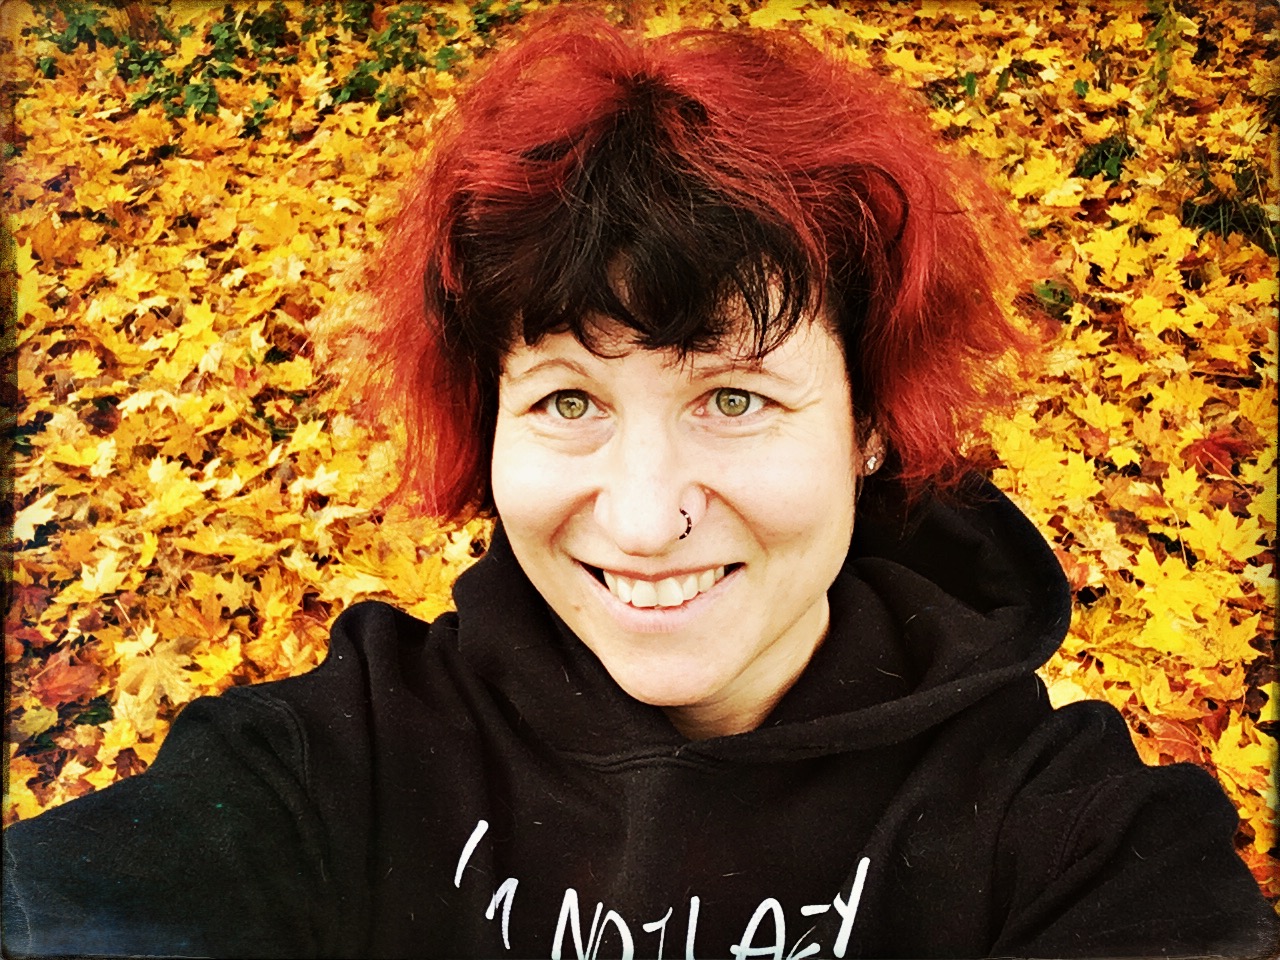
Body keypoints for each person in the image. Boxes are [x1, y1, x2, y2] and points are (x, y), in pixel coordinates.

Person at [4, 10, 1277, 959]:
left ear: (870, 427)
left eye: (734, 398)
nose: (641, 515)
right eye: (568, 402)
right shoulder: (339, 768)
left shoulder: (1064, 838)